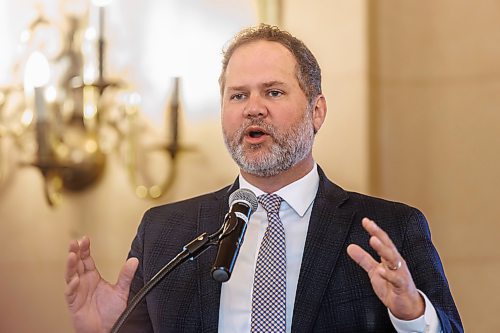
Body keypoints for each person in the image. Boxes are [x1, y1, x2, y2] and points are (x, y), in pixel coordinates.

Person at [65, 24, 463, 332]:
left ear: (317, 111)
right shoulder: (166, 233)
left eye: (273, 92)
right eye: (238, 95)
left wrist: (413, 316)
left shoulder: (389, 228)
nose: (253, 109)